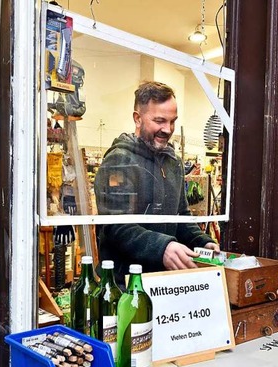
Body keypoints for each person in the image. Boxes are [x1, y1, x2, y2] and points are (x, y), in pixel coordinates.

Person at [94, 81, 219, 287]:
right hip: (123, 286)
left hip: (161, 283)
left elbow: (181, 217)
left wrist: (203, 242)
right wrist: (162, 248)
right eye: (159, 121)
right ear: (137, 118)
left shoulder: (173, 162)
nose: (167, 129)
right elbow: (115, 226)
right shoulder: (119, 161)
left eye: (172, 121)